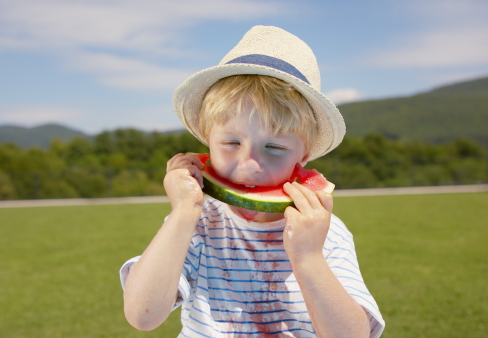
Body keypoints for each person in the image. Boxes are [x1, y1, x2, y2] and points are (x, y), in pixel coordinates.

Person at [120, 25, 385, 337]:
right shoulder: (198, 225)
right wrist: (182, 213)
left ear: (304, 158)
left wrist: (309, 257)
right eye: (231, 143)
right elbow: (142, 316)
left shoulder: (326, 235)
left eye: (274, 147)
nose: (249, 164)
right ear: (207, 142)